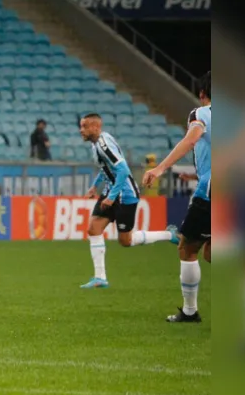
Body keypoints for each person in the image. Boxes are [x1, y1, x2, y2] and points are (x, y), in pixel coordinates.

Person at [80, 113, 177, 289]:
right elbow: (106, 169)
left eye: (84, 126)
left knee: (126, 241)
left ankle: (169, 235)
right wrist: (95, 187)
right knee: (93, 229)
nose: (81, 130)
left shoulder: (103, 145)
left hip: (125, 195)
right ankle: (100, 278)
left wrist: (111, 197)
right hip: (112, 190)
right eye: (81, 126)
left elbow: (123, 170)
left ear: (96, 127)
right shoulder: (96, 145)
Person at [143, 71, 211, 323]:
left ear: (202, 93)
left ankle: (190, 312)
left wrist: (160, 168)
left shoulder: (201, 114)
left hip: (212, 193)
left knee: (187, 248)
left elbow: (192, 138)